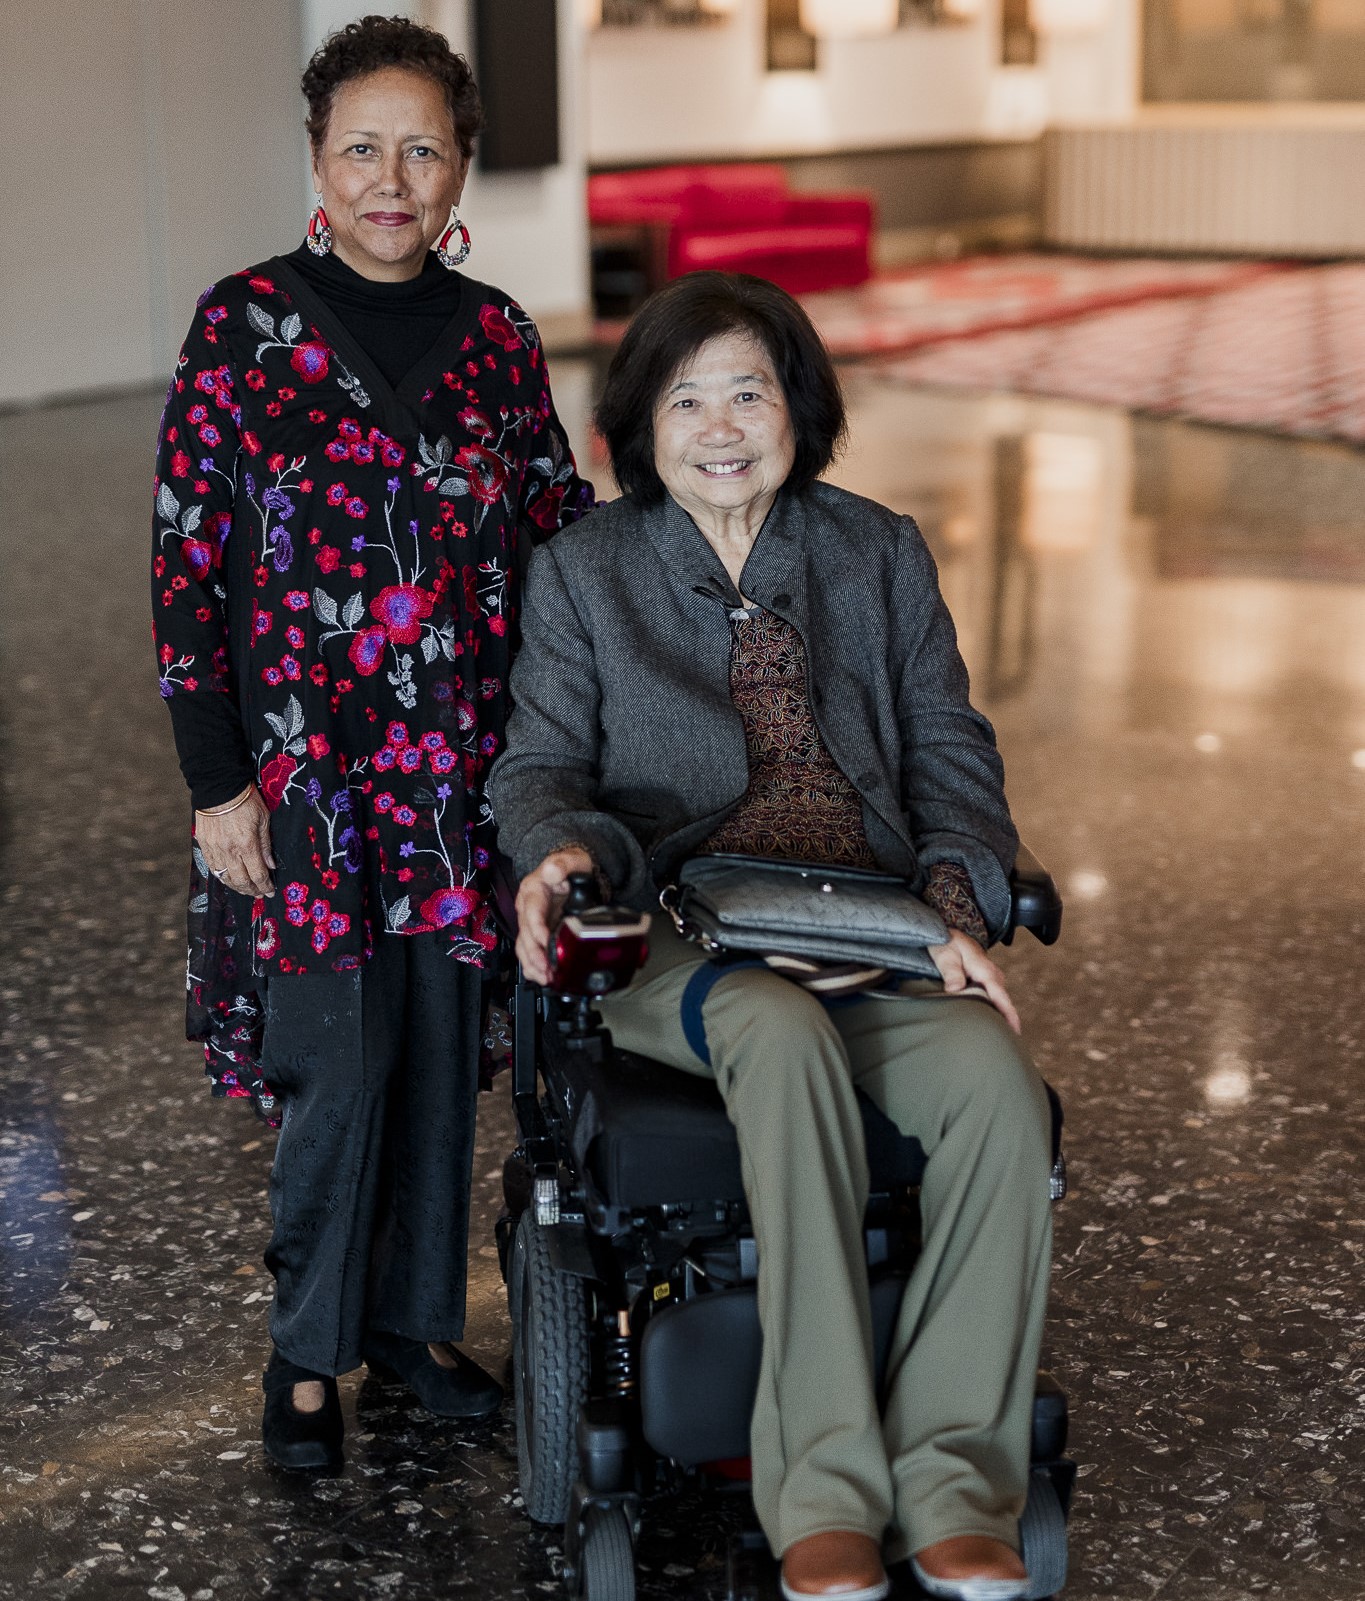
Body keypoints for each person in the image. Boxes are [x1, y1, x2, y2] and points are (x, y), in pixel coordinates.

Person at [490, 272, 1052, 1601]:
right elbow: (535, 767)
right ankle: (823, 1492)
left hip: (866, 922)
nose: (719, 423)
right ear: (641, 423)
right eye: (684, 396)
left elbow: (951, 756)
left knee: (990, 1085)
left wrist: (957, 912)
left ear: (797, 403)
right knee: (780, 1029)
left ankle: (956, 1478)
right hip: (681, 935)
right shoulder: (588, 571)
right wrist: (557, 853)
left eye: (748, 387)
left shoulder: (873, 550)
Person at [151, 15, 594, 1472]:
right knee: (332, 1066)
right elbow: (184, 556)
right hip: (305, 781)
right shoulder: (242, 324)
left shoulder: (498, 337)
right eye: (361, 146)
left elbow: (555, 529)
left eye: (421, 147)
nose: (390, 177)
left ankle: (406, 1330)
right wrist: (217, 773)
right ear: (318, 159)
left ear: (462, 162)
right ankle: (304, 1353)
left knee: (429, 1062)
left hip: (456, 781)